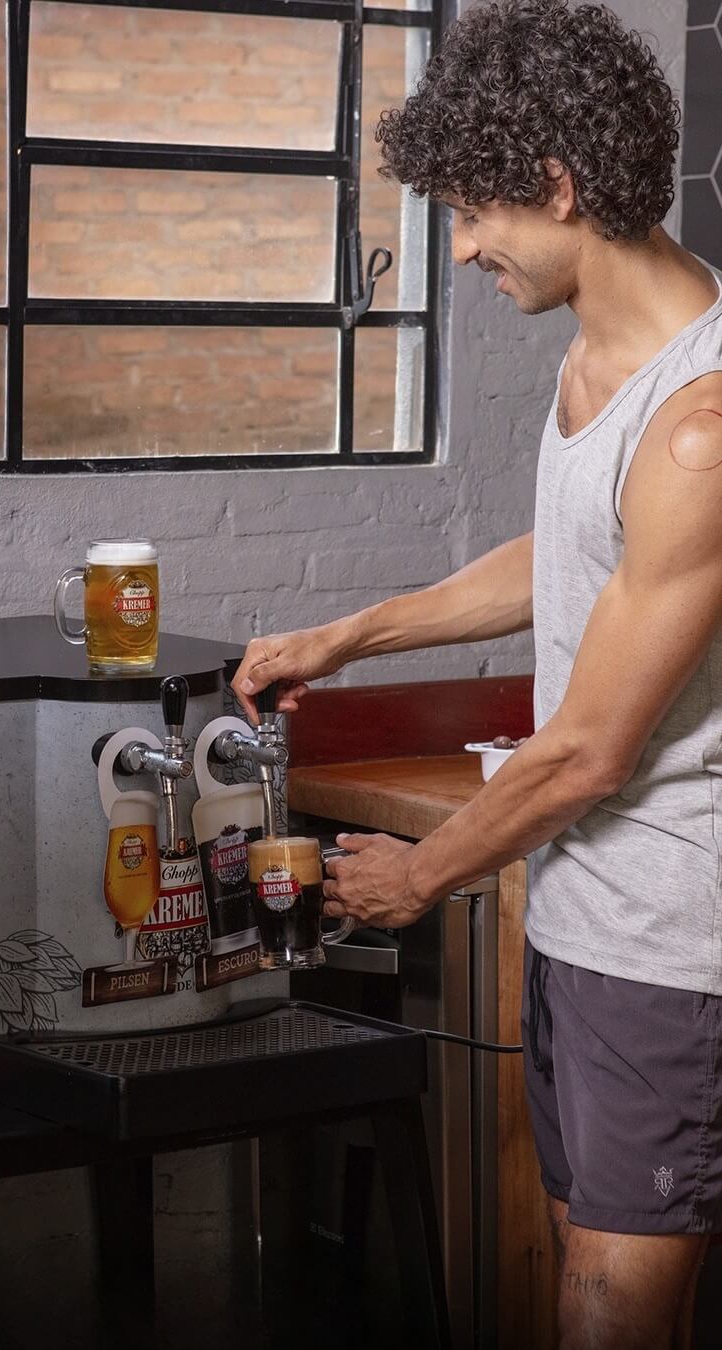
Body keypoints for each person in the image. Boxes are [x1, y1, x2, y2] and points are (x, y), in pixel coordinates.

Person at [233, 3, 722, 1347]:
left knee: (610, 1314)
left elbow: (588, 751)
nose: (461, 249)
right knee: (595, 1279)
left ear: (560, 186)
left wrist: (419, 872)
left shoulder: (701, 427)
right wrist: (351, 636)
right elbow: (562, 555)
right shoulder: (597, 363)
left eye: (475, 213)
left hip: (674, 940)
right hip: (585, 915)